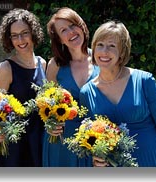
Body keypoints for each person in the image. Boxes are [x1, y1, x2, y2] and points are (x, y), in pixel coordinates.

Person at [79, 20, 156, 167]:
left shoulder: (144, 80)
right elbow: (90, 138)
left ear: (122, 52)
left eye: (112, 46)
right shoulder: (86, 92)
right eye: (100, 45)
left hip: (153, 159)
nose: (104, 52)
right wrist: (96, 159)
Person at [43, 7, 100, 167]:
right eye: (63, 30)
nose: (71, 32)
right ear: (60, 39)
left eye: (73, 25)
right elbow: (46, 104)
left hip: (95, 141)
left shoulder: (101, 59)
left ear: (81, 26)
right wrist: (50, 124)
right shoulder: (55, 65)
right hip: (61, 143)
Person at [0, 8, 46, 167]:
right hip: (14, 145)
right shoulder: (6, 68)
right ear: (9, 39)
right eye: (14, 36)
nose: (20, 40)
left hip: (39, 140)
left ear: (33, 32)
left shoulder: (43, 64)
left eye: (25, 33)